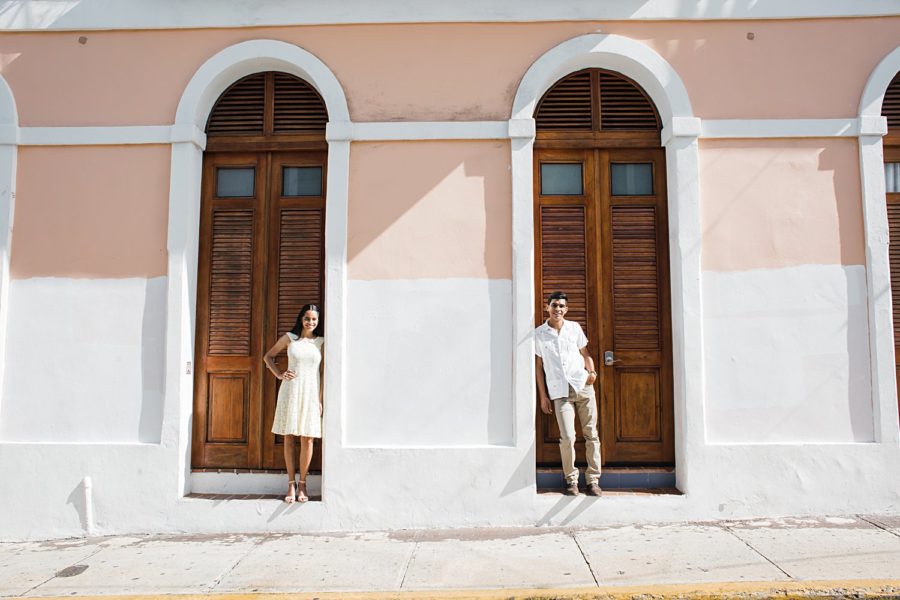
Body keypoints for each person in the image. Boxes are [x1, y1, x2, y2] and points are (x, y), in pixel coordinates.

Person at [534, 291, 602, 496]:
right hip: (559, 392)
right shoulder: (539, 333)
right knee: (567, 437)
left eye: (562, 306)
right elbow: (538, 366)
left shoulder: (574, 328)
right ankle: (571, 480)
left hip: (583, 387)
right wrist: (543, 396)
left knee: (591, 434)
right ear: (547, 307)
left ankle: (593, 480)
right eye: (554, 305)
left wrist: (591, 372)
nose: (558, 309)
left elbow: (585, 354)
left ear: (566, 309)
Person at [264, 304, 324, 503]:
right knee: (289, 437)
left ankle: (303, 484)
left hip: (311, 393)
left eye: (314, 319)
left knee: (308, 439)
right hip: (291, 391)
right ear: (301, 319)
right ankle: (291, 483)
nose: (311, 322)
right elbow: (268, 357)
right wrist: (280, 374)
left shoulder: (321, 342)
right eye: (307, 318)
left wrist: (320, 399)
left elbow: (322, 373)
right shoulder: (290, 338)